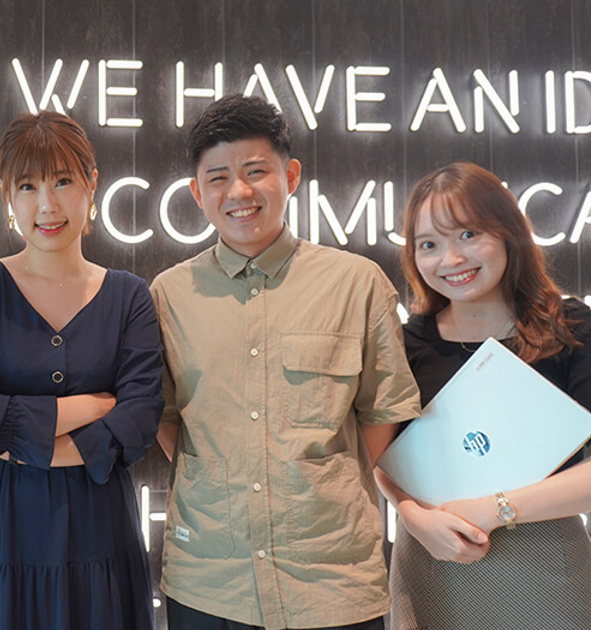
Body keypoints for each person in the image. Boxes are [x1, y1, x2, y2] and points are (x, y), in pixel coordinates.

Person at [150, 94, 421, 630]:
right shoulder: (169, 294)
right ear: (197, 193)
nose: (239, 192)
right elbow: (166, 416)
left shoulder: (356, 283)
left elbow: (382, 414)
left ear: (290, 175)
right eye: (219, 178)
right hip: (210, 581)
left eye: (256, 171)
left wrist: (318, 482)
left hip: (332, 582)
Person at [377, 161, 591, 629]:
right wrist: (411, 516)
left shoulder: (569, 329)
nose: (451, 259)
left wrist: (496, 509)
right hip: (433, 562)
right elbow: (384, 458)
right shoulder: (406, 342)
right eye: (429, 245)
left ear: (508, 233)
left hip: (545, 568)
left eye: (468, 234)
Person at [0, 111, 163, 630]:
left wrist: (16, 431)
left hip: (99, 531)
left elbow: (139, 419)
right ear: (7, 196)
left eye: (62, 181)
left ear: (92, 184)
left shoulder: (129, 296)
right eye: (27, 186)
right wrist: (95, 406)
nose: (47, 204)